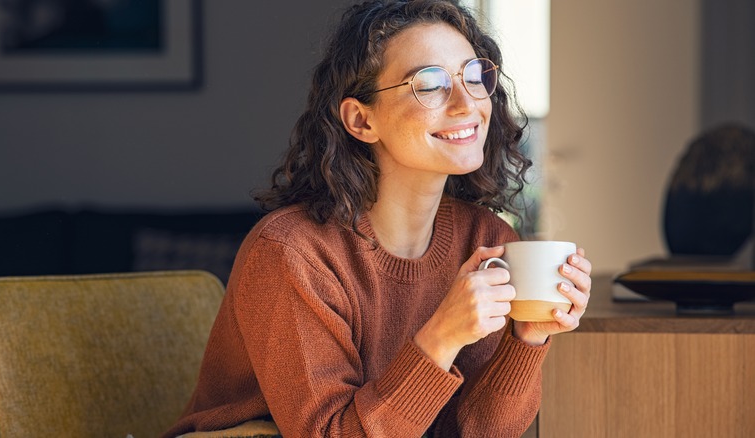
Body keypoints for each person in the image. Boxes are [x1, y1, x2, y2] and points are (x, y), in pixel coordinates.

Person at [164, 0, 592, 437]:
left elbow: (478, 431)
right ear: (361, 120)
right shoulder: (292, 254)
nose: (468, 103)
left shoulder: (486, 238)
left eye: (474, 76)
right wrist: (441, 336)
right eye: (430, 84)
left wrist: (528, 338)